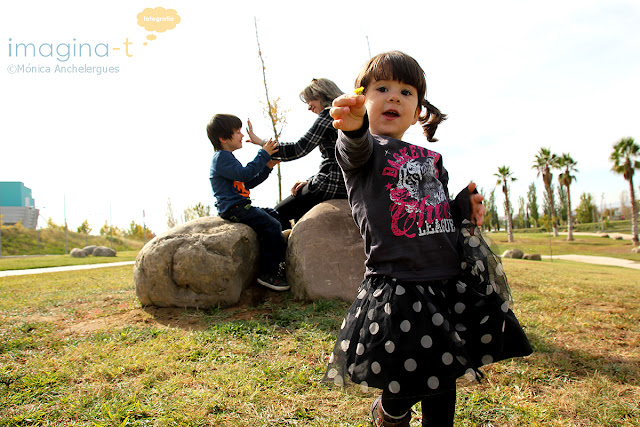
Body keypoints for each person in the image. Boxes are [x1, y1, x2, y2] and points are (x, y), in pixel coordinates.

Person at [324, 51, 532, 426]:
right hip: (400, 283)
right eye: (382, 88)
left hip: (446, 279)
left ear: (419, 107)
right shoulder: (363, 153)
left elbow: (439, 215)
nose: (394, 97)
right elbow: (353, 145)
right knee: (408, 375)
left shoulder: (431, 158)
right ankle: (391, 411)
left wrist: (462, 207)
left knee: (444, 372)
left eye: (406, 91)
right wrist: (353, 128)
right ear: (362, 97)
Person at [246, 78, 348, 230]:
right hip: (345, 186)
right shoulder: (350, 116)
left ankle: (282, 252)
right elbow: (337, 159)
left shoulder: (329, 114)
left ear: (321, 95)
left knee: (276, 214)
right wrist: (310, 180)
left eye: (309, 101)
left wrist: (264, 145)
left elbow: (299, 148)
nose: (308, 107)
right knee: (299, 215)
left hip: (330, 185)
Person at [207, 113, 289, 292]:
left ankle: (273, 255)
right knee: (271, 224)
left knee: (273, 215)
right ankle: (269, 273)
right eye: (237, 132)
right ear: (223, 138)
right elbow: (245, 174)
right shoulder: (221, 158)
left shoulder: (227, 158)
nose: (242, 135)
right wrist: (263, 154)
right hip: (234, 208)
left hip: (240, 206)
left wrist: (267, 167)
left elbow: (247, 182)